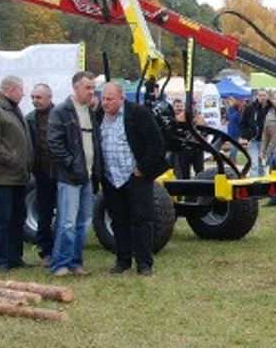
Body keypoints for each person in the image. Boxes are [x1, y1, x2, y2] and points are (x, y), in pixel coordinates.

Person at [98, 82, 165, 276]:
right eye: (103, 98)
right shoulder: (98, 117)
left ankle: (144, 263)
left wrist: (142, 169)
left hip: (135, 177)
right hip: (111, 178)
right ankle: (122, 261)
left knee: (142, 220)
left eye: (110, 99)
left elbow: (156, 144)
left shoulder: (138, 114)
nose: (105, 102)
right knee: (119, 221)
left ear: (121, 98)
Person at [0, 75, 33, 273]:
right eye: (21, 90)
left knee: (18, 216)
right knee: (3, 218)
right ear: (10, 90)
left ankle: (15, 257)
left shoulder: (12, 108)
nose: (24, 93)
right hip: (3, 176)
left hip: (18, 175)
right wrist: (13, 160)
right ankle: (0, 260)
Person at [46, 71, 100, 277]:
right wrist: (71, 165)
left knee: (83, 222)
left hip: (87, 175)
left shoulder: (89, 112)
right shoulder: (61, 111)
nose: (91, 92)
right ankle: (60, 263)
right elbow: (54, 144)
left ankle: (76, 262)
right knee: (66, 222)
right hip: (69, 177)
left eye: (93, 88)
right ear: (76, 88)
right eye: (87, 88)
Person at [26, 83, 57, 266]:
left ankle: (61, 249)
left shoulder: (60, 115)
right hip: (42, 173)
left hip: (60, 173)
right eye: (33, 98)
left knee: (63, 214)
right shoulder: (30, 119)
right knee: (44, 213)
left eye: (38, 97)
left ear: (49, 98)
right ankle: (46, 251)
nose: (35, 101)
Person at [168, 97, 205, 178]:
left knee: (200, 171)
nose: (193, 107)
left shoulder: (199, 118)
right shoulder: (179, 117)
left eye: (194, 105)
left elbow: (205, 131)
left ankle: (200, 188)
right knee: (184, 173)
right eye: (191, 105)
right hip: (185, 149)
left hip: (197, 149)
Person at [241, 89, 270, 176]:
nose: (262, 97)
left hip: (267, 141)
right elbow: (244, 123)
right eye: (260, 95)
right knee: (254, 164)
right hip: (254, 140)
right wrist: (246, 136)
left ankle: (261, 184)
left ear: (267, 96)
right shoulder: (250, 108)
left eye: (264, 95)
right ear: (257, 96)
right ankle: (255, 184)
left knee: (262, 164)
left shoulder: (271, 108)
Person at [225, 96, 245, 161]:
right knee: (236, 146)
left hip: (230, 131)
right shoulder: (237, 114)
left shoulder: (230, 112)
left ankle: (233, 158)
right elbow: (240, 122)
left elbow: (231, 108)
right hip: (236, 131)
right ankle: (231, 158)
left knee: (234, 145)